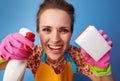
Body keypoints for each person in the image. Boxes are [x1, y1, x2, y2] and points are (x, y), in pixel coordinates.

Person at [0, 0, 115, 81]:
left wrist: (103, 70)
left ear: (71, 32)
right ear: (38, 32)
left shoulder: (77, 56)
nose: (55, 40)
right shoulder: (32, 54)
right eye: (46, 29)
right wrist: (3, 55)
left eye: (64, 30)